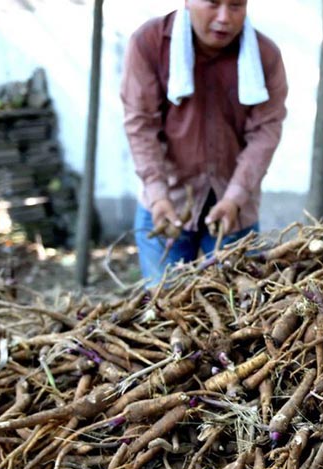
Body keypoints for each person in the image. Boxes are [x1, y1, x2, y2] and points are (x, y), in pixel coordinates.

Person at [121, 0, 288, 284]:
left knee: (238, 310)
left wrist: (235, 196)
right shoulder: (149, 43)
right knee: (165, 308)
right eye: (213, 3)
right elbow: (141, 124)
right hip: (165, 206)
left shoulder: (265, 55)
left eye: (236, 5)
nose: (224, 18)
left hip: (234, 210)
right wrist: (158, 193)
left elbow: (265, 133)